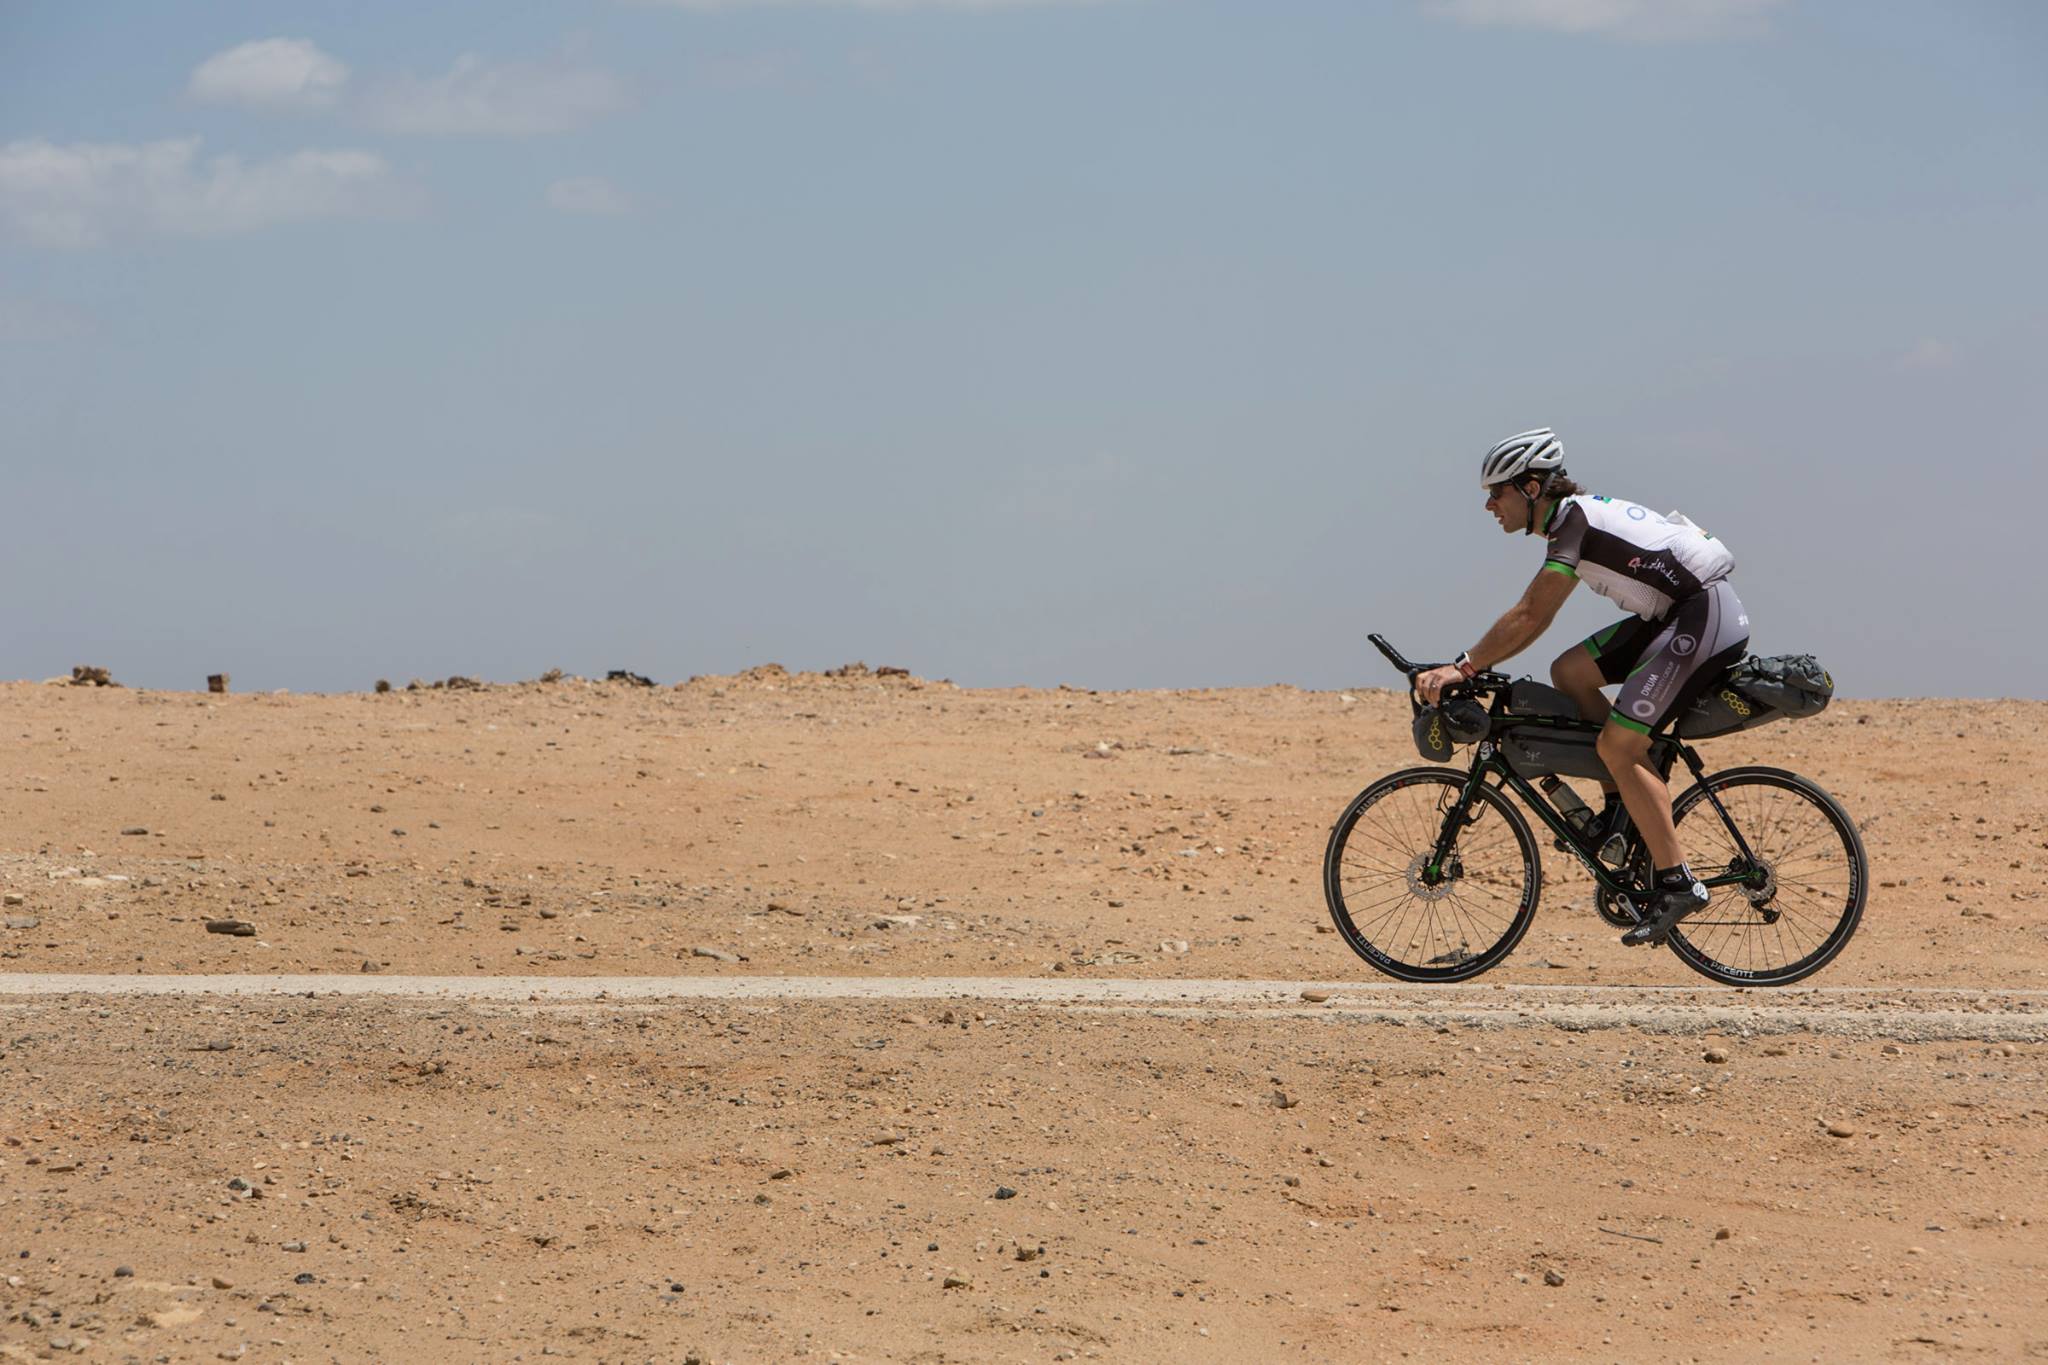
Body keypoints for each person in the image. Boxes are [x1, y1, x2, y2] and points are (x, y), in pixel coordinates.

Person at [1414, 427, 1749, 947]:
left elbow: (1532, 614)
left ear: (1530, 488)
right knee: (1570, 673)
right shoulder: (1571, 521)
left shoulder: (1572, 521)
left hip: (1701, 614)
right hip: (1675, 614)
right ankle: (1623, 803)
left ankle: (1679, 881)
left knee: (1620, 743)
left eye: (1496, 493)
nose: (1488, 506)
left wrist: (1464, 667)